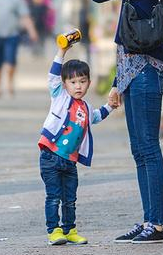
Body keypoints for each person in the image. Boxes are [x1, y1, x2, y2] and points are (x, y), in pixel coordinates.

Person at [92, 0, 163, 244]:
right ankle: (148, 221)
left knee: (147, 149)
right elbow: (128, 35)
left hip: (144, 74)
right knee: (141, 149)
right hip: (140, 74)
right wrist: (116, 83)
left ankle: (155, 225)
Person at [38, 42, 117, 246]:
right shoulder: (59, 97)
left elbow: (97, 117)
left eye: (82, 81)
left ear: (89, 83)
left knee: (70, 199)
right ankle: (54, 231)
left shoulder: (87, 108)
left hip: (70, 162)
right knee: (54, 196)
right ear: (64, 84)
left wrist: (110, 105)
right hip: (51, 157)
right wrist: (62, 51)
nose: (78, 86)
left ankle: (70, 230)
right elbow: (54, 75)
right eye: (73, 82)